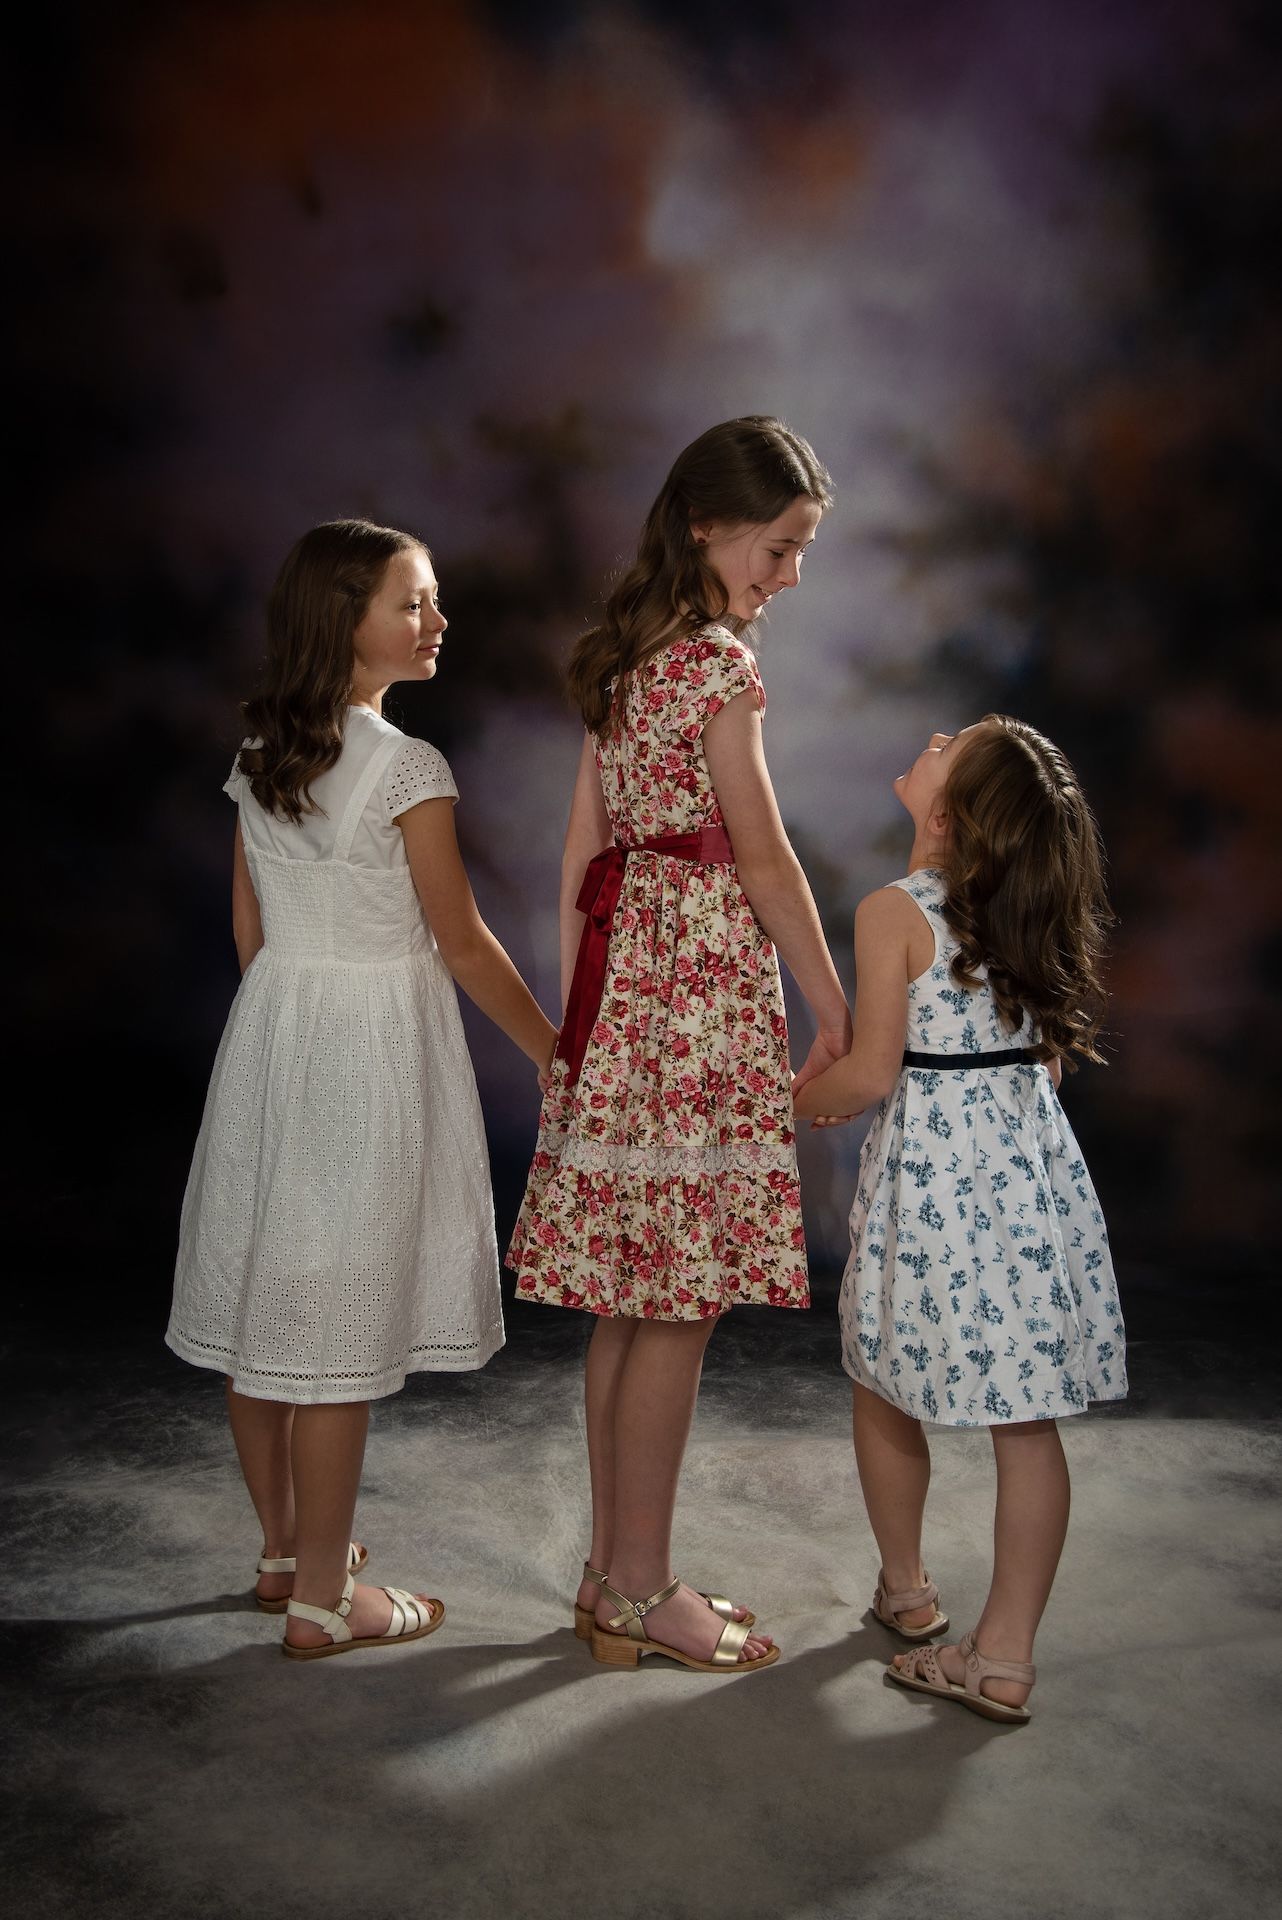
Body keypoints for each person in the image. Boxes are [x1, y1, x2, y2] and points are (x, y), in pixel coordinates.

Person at [167, 519, 557, 1659]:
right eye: (414, 602)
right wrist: (553, 1051)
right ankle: (326, 1603)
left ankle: (284, 1547)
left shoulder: (257, 751)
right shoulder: (405, 768)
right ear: (346, 619)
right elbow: (466, 942)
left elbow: (250, 926)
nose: (437, 621)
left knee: (264, 1299)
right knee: (334, 1320)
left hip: (277, 1030)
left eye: (433, 601)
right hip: (368, 1046)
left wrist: (286, 1026)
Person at [508, 417, 851, 1673]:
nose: (790, 575)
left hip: (628, 996)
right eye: (781, 545)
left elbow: (581, 854)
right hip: (699, 996)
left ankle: (609, 1576)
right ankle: (645, 1589)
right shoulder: (715, 669)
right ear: (707, 524)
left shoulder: (623, 661)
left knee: (629, 1299)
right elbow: (760, 856)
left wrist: (574, 1017)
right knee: (680, 1301)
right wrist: (833, 1002)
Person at [795, 716, 1127, 1722]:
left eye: (955, 740)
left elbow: (869, 1072)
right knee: (1024, 1424)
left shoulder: (895, 911)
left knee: (880, 1372)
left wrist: (781, 1102)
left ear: (946, 811)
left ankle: (907, 1591)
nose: (934, 733)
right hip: (1028, 1183)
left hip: (933, 1185)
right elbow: (1046, 1057)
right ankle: (1005, 1656)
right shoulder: (1030, 907)